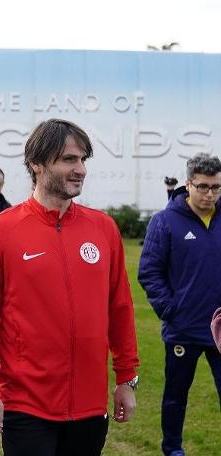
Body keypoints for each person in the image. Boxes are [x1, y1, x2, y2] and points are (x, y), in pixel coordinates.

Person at [0, 118, 139, 456]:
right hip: (26, 403)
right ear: (36, 163)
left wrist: (126, 378)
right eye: (68, 159)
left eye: (83, 160)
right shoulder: (0, 230)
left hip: (90, 405)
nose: (80, 169)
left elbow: (119, 308)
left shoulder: (103, 229)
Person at [138, 152, 221, 456]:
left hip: (220, 330)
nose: (209, 194)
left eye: (216, 187)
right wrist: (172, 310)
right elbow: (149, 271)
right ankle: (172, 448)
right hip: (182, 329)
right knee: (176, 396)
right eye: (203, 187)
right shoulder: (165, 221)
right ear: (188, 184)